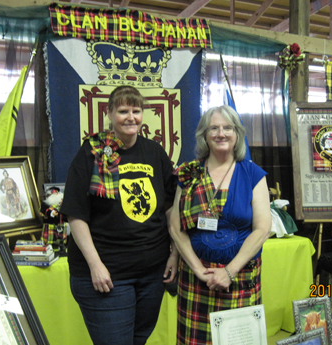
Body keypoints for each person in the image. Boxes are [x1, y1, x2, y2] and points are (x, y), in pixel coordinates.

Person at [60, 85, 178, 345]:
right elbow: (75, 214)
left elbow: (170, 207)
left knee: (138, 340)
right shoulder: (92, 152)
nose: (130, 117)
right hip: (108, 276)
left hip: (152, 274)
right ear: (110, 113)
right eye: (123, 110)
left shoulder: (155, 152)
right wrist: (95, 265)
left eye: (136, 111)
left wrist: (174, 253)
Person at [169, 105, 272, 344]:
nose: (221, 133)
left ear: (237, 134)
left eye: (228, 128)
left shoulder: (253, 174)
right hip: (196, 279)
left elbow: (262, 229)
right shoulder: (189, 174)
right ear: (204, 135)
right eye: (213, 128)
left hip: (239, 278)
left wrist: (229, 271)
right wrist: (198, 270)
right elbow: (176, 227)